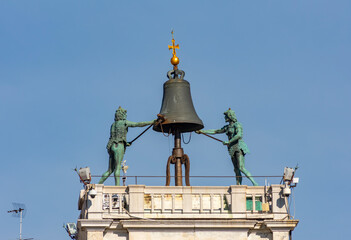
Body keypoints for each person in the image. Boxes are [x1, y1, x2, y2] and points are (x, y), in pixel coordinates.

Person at [197, 108, 258, 186]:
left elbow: (239, 135)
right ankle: (238, 185)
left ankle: (254, 183)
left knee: (241, 167)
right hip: (232, 148)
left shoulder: (237, 124)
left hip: (239, 147)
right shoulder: (227, 127)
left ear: (229, 116)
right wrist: (202, 132)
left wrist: (229, 141)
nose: (224, 118)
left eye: (226, 116)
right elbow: (216, 131)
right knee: (236, 169)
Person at [98, 106, 155, 186]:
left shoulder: (113, 124)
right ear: (122, 115)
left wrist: (126, 143)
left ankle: (97, 185)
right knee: (117, 168)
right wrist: (151, 122)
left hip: (111, 146)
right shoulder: (124, 122)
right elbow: (138, 124)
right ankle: (117, 187)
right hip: (119, 146)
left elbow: (114, 137)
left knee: (110, 170)